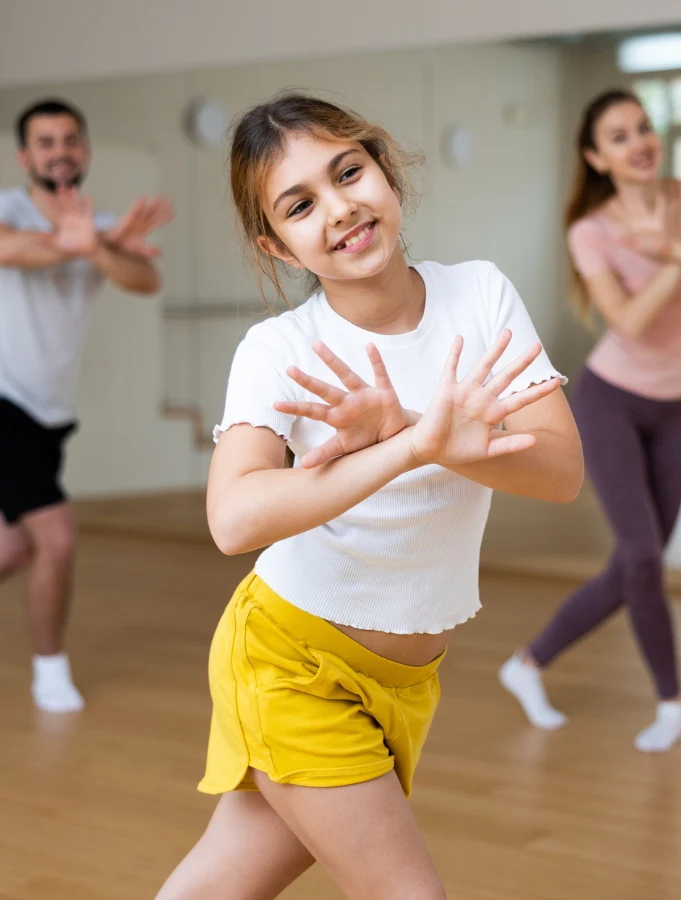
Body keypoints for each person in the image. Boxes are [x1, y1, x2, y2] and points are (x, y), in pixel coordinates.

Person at [156, 93, 582, 900]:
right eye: (300, 204)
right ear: (275, 245)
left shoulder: (478, 294)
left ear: (385, 170)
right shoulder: (282, 348)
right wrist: (406, 448)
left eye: (349, 171)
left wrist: (421, 428)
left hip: (402, 681)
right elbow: (233, 518)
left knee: (217, 887)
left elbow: (559, 473)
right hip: (289, 665)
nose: (341, 208)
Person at [500, 89, 681, 754]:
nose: (637, 141)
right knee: (638, 557)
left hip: (676, 410)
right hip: (613, 402)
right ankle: (670, 702)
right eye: (616, 135)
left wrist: (665, 246)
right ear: (594, 156)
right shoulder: (591, 231)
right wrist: (671, 259)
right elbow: (628, 324)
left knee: (633, 566)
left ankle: (525, 665)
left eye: (641, 127)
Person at [0, 98, 173, 713]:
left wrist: (99, 244)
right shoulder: (9, 212)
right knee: (58, 539)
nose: (60, 151)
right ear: (25, 157)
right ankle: (50, 672)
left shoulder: (100, 224)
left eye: (71, 139)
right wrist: (88, 242)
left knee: (13, 548)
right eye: (45, 142)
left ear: (86, 149)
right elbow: (14, 250)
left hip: (48, 413)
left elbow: (144, 280)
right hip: (4, 401)